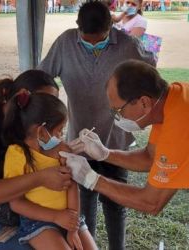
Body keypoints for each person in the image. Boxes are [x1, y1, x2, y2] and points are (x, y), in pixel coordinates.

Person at [37, 2, 155, 249]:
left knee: (116, 204)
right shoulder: (66, 43)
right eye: (86, 40)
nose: (92, 45)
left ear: (111, 27)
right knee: (83, 203)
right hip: (80, 141)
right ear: (77, 27)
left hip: (116, 141)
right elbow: (42, 77)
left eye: (98, 41)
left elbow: (151, 70)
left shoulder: (127, 45)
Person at [61, 59, 189, 216]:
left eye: (118, 111)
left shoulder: (180, 126)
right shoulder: (175, 98)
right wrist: (105, 154)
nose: (116, 117)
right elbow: (151, 157)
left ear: (144, 103)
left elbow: (151, 202)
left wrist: (90, 178)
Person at [0, 70, 72, 250]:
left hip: (26, 214)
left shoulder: (35, 131)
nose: (48, 111)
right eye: (42, 104)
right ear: (21, 98)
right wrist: (40, 177)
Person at [3, 92, 97, 250]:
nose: (61, 136)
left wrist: (72, 228)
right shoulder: (17, 155)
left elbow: (73, 186)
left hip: (70, 216)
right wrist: (56, 216)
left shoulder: (62, 150)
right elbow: (16, 203)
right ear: (41, 131)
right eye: (59, 131)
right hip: (39, 221)